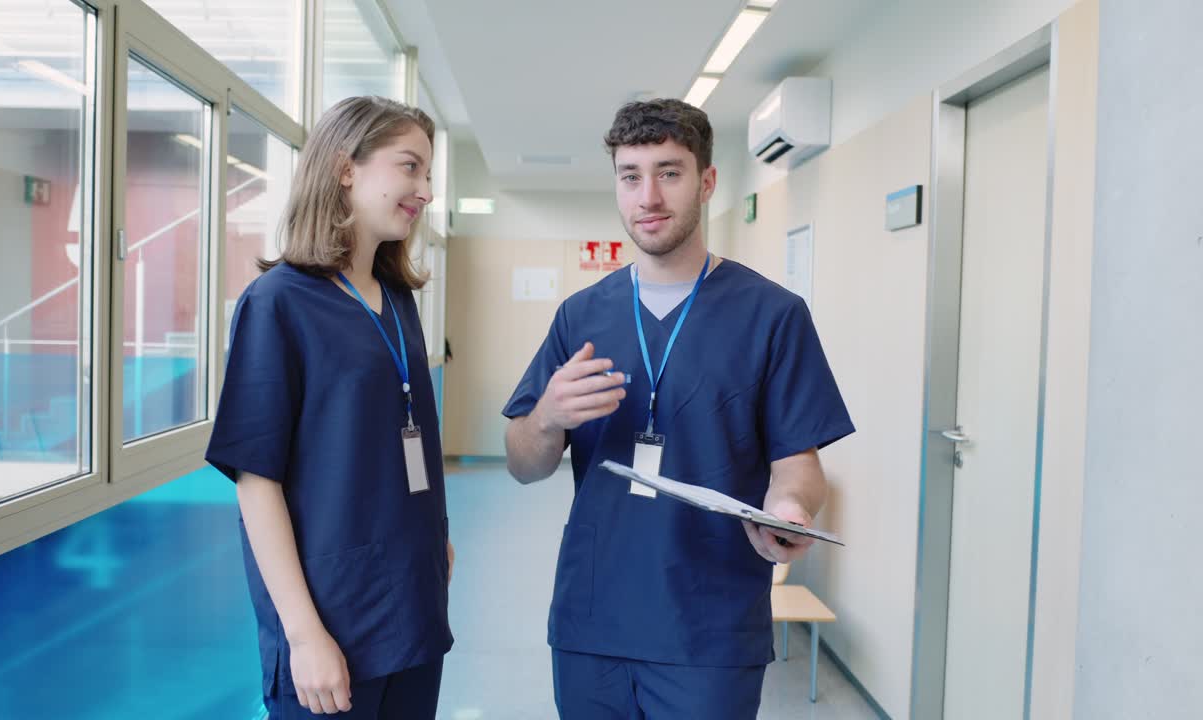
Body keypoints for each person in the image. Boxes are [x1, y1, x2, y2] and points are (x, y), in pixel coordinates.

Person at [503, 99, 855, 718]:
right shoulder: (581, 316)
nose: (648, 197)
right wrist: (547, 416)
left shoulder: (772, 315)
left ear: (707, 182)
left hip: (709, 625)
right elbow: (523, 463)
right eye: (630, 175)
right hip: (594, 620)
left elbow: (798, 462)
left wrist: (791, 511)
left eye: (669, 172)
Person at [206, 96, 453, 719]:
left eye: (428, 175)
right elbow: (256, 483)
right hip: (333, 619)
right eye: (410, 167)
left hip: (413, 607)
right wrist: (303, 634)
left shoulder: (398, 301)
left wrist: (435, 537)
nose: (424, 190)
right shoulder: (278, 303)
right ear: (346, 168)